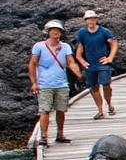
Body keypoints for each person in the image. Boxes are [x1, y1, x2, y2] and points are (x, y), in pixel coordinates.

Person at [28, 19, 84, 147]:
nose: (56, 32)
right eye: (53, 30)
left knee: (61, 110)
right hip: (44, 84)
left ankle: (60, 134)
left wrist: (78, 73)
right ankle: (43, 137)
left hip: (61, 84)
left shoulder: (65, 47)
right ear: (48, 32)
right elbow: (32, 64)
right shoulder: (39, 46)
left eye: (58, 30)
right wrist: (34, 83)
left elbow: (71, 62)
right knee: (44, 110)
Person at [74, 10, 118, 120]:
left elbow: (114, 44)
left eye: (93, 19)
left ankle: (109, 104)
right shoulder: (82, 33)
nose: (91, 21)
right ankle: (100, 111)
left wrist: (110, 58)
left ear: (96, 20)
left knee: (106, 84)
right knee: (93, 87)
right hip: (90, 64)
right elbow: (80, 48)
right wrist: (81, 60)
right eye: (88, 19)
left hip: (102, 63)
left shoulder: (104, 31)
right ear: (86, 21)